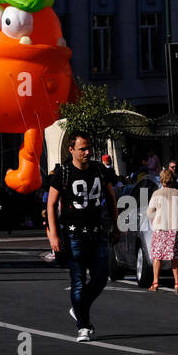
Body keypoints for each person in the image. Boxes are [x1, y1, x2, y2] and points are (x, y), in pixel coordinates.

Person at [46, 133, 116, 342]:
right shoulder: (63, 173)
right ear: (71, 150)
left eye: (89, 148)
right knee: (78, 280)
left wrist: (116, 225)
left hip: (97, 232)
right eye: (82, 149)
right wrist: (54, 235)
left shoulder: (99, 170)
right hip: (73, 234)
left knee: (101, 277)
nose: (87, 152)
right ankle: (83, 326)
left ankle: (79, 307)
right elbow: (50, 204)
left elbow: (111, 198)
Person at [146, 166, 178, 292]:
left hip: (160, 228)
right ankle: (177, 283)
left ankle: (155, 282)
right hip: (175, 229)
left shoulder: (157, 194)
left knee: (157, 256)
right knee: (175, 256)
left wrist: (154, 220)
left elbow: (149, 212)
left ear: (162, 180)